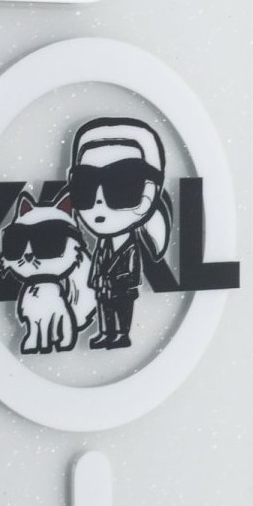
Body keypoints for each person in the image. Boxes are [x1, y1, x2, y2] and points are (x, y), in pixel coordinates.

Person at [68, 118, 172, 349]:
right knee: (105, 311)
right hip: (103, 288)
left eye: (122, 185)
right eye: (86, 183)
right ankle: (106, 333)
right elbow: (98, 263)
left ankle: (121, 334)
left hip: (122, 290)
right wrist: (96, 281)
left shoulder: (130, 246)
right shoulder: (102, 245)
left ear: (150, 192)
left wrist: (122, 282)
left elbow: (132, 269)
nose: (99, 199)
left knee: (122, 312)